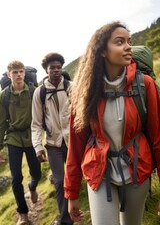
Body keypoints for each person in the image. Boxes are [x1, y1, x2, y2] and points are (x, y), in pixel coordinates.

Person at [64, 21, 160, 225]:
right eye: (120, 42)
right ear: (102, 51)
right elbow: (76, 143)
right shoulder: (84, 91)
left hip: (137, 169)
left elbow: (158, 137)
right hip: (99, 172)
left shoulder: (145, 85)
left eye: (129, 41)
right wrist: (71, 192)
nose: (128, 47)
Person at [31, 52, 73, 225]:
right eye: (52, 68)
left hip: (73, 142)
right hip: (53, 144)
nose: (56, 71)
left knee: (78, 177)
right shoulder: (39, 93)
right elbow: (36, 123)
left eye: (58, 67)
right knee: (59, 180)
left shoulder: (71, 87)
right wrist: (38, 147)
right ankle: (65, 220)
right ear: (46, 71)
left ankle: (79, 208)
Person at [0, 61, 41, 225]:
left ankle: (32, 187)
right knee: (16, 177)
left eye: (21, 71)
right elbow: (1, 122)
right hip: (13, 138)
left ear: (24, 73)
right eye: (15, 72)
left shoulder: (33, 91)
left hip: (32, 136)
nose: (18, 75)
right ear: (9, 75)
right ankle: (23, 214)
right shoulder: (4, 96)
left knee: (36, 173)